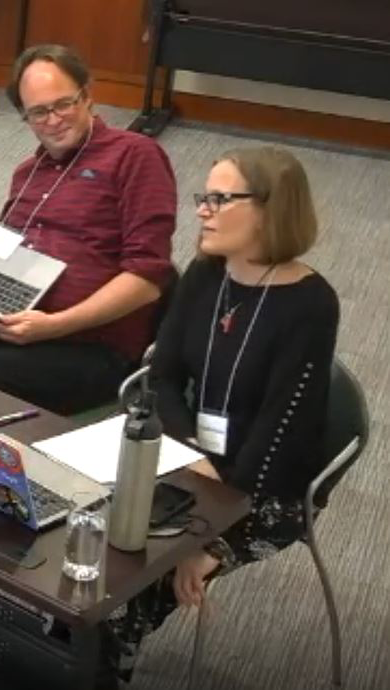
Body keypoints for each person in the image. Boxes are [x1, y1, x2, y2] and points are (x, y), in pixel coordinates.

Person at [101, 146, 339, 685]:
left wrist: (204, 538)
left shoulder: (311, 305)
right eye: (203, 197)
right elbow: (160, 377)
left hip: (267, 487)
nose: (202, 210)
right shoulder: (207, 276)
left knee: (123, 593)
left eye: (219, 198)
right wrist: (190, 453)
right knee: (87, 544)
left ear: (270, 209)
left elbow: (282, 434)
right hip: (192, 461)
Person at [0, 44, 176, 416]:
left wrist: (54, 325)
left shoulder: (134, 155)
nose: (54, 120)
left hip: (89, 340)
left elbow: (148, 276)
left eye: (64, 104)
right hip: (16, 312)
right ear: (25, 116)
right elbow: (5, 246)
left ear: (87, 96)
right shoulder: (27, 174)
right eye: (39, 112)